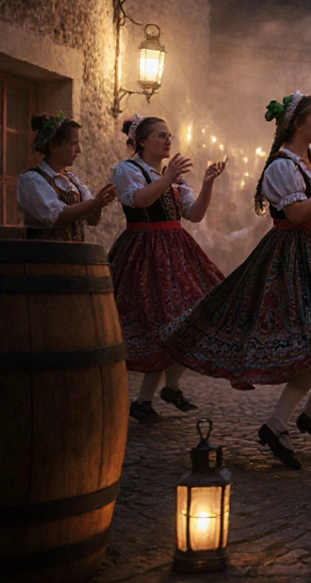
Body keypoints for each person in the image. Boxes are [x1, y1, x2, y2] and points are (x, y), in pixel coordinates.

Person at [159, 92, 311, 470]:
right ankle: (280, 423)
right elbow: (294, 213)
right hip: (291, 255)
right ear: (296, 124)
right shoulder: (281, 166)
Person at [110, 115, 227, 424]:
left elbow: (195, 214)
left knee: (192, 315)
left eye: (169, 135)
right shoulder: (127, 170)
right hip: (144, 251)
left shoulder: (171, 177)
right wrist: (167, 178)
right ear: (142, 142)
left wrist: (207, 184)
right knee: (163, 322)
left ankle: (169, 388)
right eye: (161, 136)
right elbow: (138, 200)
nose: (167, 140)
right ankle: (148, 398)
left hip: (177, 251)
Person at [17, 113, 115, 241]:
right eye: (73, 144)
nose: (79, 150)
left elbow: (92, 220)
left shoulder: (72, 180)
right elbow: (57, 217)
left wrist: (99, 204)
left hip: (73, 256)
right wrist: (94, 203)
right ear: (53, 146)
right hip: (45, 257)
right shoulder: (32, 180)